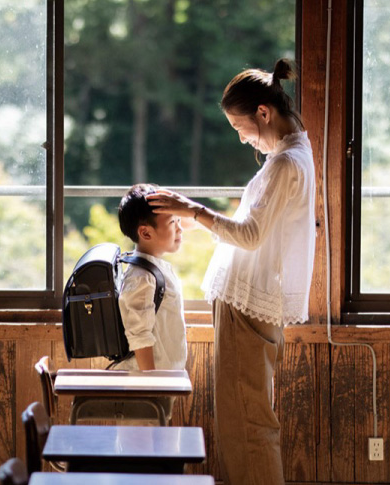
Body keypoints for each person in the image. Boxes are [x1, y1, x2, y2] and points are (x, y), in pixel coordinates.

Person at [146, 59, 315, 485]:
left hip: (248, 308)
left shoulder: (285, 163)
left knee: (248, 424)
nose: (240, 138)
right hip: (247, 303)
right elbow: (253, 230)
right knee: (245, 420)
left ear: (263, 112)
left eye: (240, 126)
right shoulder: (288, 155)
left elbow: (252, 235)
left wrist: (195, 210)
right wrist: (196, 220)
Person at [114, 183, 188, 374]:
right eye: (173, 223)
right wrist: (152, 386)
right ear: (146, 232)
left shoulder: (155, 268)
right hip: (143, 385)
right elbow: (140, 337)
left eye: (179, 220)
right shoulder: (141, 278)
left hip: (162, 379)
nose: (180, 229)